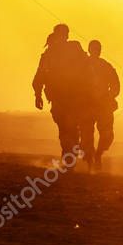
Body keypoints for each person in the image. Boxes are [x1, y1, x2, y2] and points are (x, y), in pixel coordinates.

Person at [32, 24, 89, 158]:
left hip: (70, 97)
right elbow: (40, 75)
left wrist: (38, 95)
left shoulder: (64, 50)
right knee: (68, 127)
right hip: (65, 97)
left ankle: (69, 154)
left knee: (67, 127)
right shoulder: (64, 50)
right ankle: (70, 153)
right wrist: (38, 94)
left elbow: (40, 76)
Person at [84, 39, 120, 171]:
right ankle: (90, 163)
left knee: (107, 135)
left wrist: (109, 96)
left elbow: (115, 85)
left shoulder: (106, 66)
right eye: (93, 49)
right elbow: (73, 83)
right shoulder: (82, 65)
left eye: (97, 49)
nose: (95, 51)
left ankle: (98, 155)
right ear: (89, 50)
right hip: (86, 104)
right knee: (86, 135)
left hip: (103, 105)